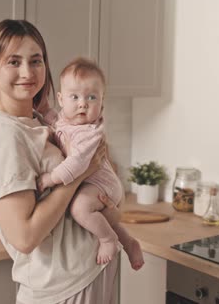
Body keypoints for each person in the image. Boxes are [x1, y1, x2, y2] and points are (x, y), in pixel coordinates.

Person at [0, 19, 121, 304]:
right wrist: (78, 174)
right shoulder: (5, 137)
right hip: (61, 289)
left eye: (36, 60)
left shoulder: (41, 122)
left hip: (89, 273)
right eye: (13, 62)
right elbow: (25, 237)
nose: (27, 72)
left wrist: (110, 211)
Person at [36, 58, 144, 270]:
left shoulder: (89, 134)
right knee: (105, 218)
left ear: (102, 103)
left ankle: (107, 240)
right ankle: (129, 243)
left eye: (91, 97)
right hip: (93, 184)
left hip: (103, 184)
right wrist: (38, 110)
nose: (82, 103)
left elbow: (76, 164)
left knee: (80, 209)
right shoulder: (64, 120)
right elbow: (51, 118)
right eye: (74, 97)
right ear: (61, 99)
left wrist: (51, 179)